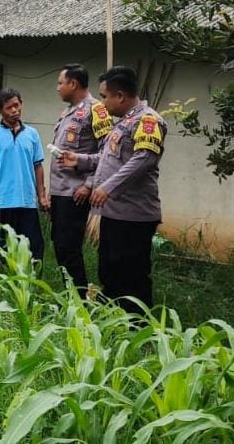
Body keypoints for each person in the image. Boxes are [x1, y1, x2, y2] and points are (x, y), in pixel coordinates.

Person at [59, 66, 167, 316]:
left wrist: (107, 187)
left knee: (131, 274)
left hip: (133, 215)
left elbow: (144, 158)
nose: (102, 102)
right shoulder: (123, 124)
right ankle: (116, 321)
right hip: (114, 213)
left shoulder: (147, 120)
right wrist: (79, 159)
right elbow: (107, 159)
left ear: (120, 96)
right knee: (109, 270)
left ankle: (137, 325)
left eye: (105, 96)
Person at [48, 64, 111, 293]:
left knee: (69, 248)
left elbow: (108, 154)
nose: (57, 88)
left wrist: (89, 184)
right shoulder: (68, 111)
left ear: (73, 84)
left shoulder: (97, 110)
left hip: (76, 193)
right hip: (60, 191)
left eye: (60, 83)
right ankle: (70, 296)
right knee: (60, 246)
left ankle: (79, 298)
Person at [0, 87, 49, 263]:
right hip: (1, 203)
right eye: (9, 107)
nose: (15, 110)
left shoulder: (32, 134)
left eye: (17, 105)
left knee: (33, 252)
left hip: (27, 203)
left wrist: (41, 195)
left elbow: (38, 166)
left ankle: (29, 281)